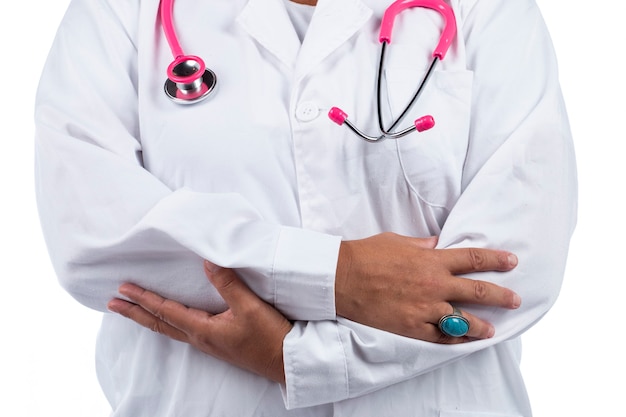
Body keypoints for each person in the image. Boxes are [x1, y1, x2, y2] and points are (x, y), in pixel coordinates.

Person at [34, 0, 577, 415]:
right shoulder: (116, 13)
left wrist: (295, 360)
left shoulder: (490, 10)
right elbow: (93, 237)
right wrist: (338, 276)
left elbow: (513, 266)